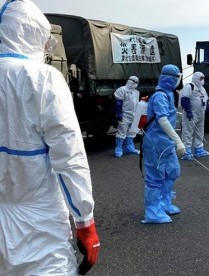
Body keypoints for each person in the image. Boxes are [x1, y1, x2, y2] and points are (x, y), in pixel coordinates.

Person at [0, 1, 100, 275]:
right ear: (32, 33)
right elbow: (69, 158)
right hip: (40, 223)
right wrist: (85, 221)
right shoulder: (43, 78)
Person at [142, 64, 186, 224]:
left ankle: (164, 203)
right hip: (156, 142)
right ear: (170, 78)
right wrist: (178, 140)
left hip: (165, 142)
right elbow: (162, 120)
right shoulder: (160, 95)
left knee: (172, 171)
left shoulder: (168, 93)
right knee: (155, 176)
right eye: (176, 78)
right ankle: (152, 211)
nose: (177, 81)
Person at [180, 71, 209, 160]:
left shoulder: (202, 89)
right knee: (188, 132)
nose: (202, 80)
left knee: (200, 131)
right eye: (201, 78)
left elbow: (207, 101)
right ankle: (186, 151)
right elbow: (184, 99)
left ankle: (199, 148)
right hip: (191, 114)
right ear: (196, 78)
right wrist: (188, 111)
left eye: (203, 78)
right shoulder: (189, 87)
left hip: (201, 114)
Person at [114, 76, 141, 157]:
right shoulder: (122, 90)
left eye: (137, 82)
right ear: (130, 81)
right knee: (122, 131)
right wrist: (119, 113)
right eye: (134, 82)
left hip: (134, 114)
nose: (136, 84)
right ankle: (118, 148)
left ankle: (130, 148)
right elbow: (118, 102)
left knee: (132, 131)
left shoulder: (136, 92)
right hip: (124, 114)